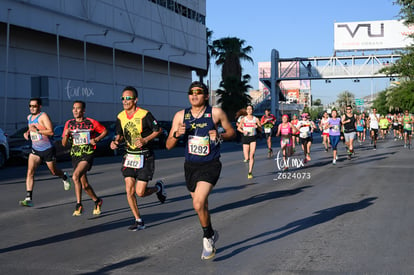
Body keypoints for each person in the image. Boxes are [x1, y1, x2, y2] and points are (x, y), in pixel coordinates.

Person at [166, 81, 235, 260]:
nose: (194, 95)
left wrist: (220, 135)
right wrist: (176, 135)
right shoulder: (180, 116)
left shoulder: (216, 113)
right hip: (190, 166)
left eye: (198, 92)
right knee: (201, 206)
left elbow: (232, 132)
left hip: (210, 164)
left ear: (206, 95)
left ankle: (206, 237)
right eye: (191, 92)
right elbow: (168, 145)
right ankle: (211, 233)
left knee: (198, 202)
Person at [110, 86, 167, 230]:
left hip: (145, 156)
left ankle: (158, 188)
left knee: (140, 192)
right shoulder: (120, 116)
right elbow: (120, 134)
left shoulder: (144, 115)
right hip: (129, 156)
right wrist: (115, 141)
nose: (125, 101)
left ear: (135, 100)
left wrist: (145, 140)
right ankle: (139, 220)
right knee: (129, 190)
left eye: (128, 98)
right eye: (123, 98)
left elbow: (158, 130)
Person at [19, 98, 71, 207]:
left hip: (47, 149)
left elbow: (50, 132)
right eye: (30, 106)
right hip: (35, 149)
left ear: (40, 107)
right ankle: (29, 198)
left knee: (54, 171)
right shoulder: (29, 117)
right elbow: (31, 128)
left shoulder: (43, 116)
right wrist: (27, 132)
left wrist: (37, 131)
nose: (32, 108)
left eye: (35, 106)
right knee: (30, 172)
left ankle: (64, 176)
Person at [62, 101, 107, 216]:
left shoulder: (91, 122)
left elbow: (104, 131)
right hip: (75, 155)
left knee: (75, 176)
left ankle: (79, 204)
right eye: (73, 108)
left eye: (78, 109)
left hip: (87, 154)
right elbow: (63, 144)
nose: (75, 111)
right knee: (85, 185)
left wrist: (96, 139)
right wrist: (66, 134)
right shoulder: (69, 123)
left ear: (83, 111)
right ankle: (97, 201)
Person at [238, 105, 262, 179]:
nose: (249, 110)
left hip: (253, 138)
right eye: (248, 109)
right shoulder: (244, 119)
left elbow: (261, 129)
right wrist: (243, 131)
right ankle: (247, 159)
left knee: (252, 155)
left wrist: (257, 127)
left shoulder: (256, 119)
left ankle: (250, 172)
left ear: (252, 110)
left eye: (250, 109)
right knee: (247, 157)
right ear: (246, 110)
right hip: (245, 138)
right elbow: (238, 128)